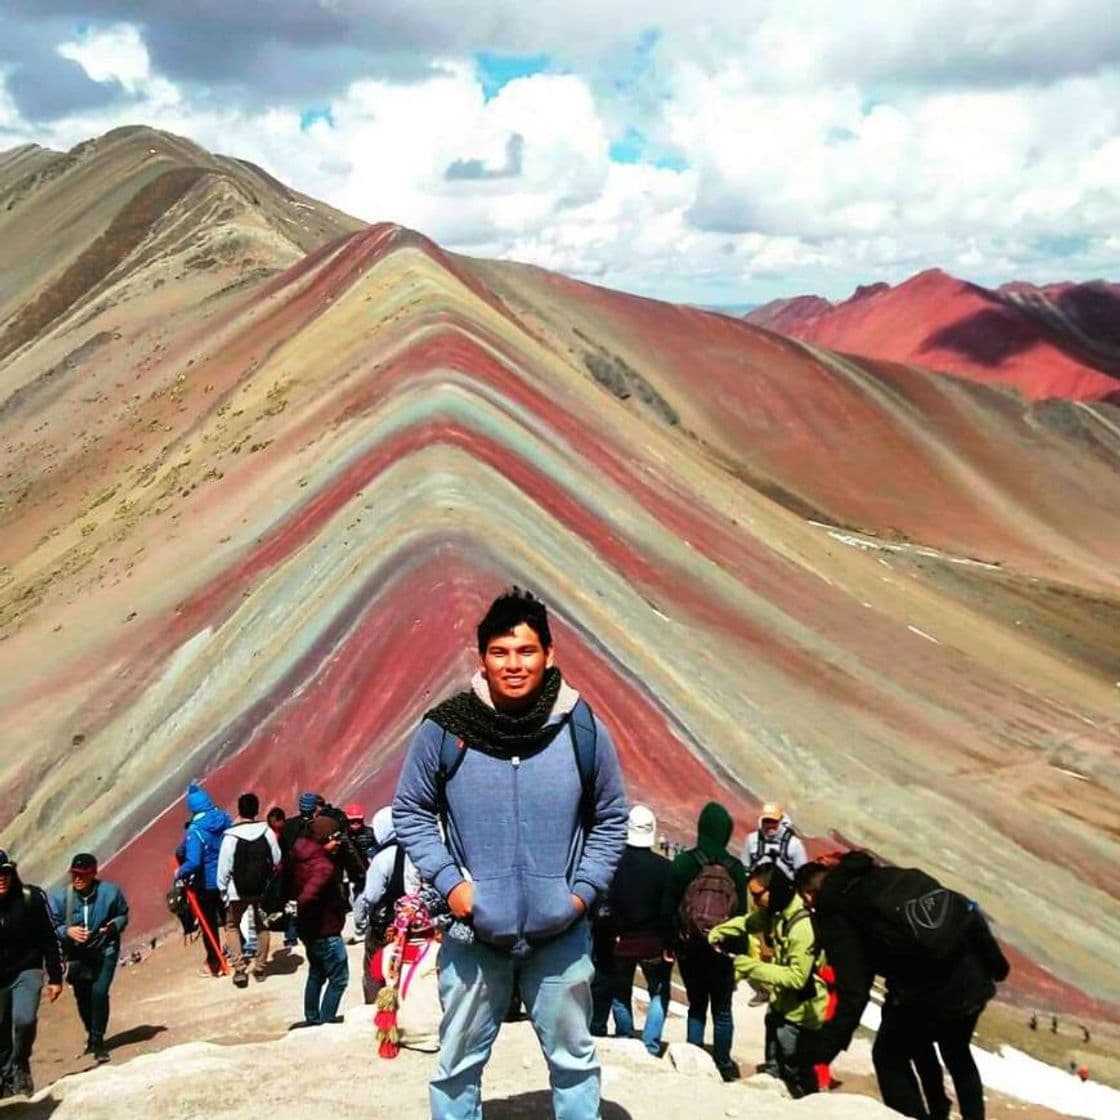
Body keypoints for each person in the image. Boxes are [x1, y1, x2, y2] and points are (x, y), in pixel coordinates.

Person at [393, 586, 628, 1120]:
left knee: (574, 1063)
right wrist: (452, 885)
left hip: (560, 936)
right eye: (500, 652)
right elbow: (409, 810)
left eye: (525, 651)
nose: (513, 664)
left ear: (549, 655)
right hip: (474, 935)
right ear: (482, 659)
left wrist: (581, 895)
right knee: (455, 1067)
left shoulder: (582, 728)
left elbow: (611, 818)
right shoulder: (446, 729)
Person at [796, 852, 1010, 1120]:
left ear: (809, 896)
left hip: (932, 988)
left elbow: (854, 992)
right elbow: (961, 906)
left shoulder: (837, 913)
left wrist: (820, 1053)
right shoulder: (879, 875)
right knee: (954, 1051)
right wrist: (997, 966)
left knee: (889, 1057)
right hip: (973, 974)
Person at [709, 862, 827, 1097]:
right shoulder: (776, 912)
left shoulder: (801, 926)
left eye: (756, 895)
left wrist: (751, 967)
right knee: (774, 1070)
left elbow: (796, 978)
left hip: (801, 1016)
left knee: (797, 1078)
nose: (753, 901)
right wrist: (721, 930)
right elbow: (749, 923)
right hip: (781, 1006)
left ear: (773, 890)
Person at [661, 800, 747, 1081]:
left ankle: (693, 1059)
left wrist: (672, 941)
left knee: (696, 1006)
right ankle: (723, 1063)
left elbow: (668, 907)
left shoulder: (685, 862)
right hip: (721, 951)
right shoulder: (735, 869)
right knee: (722, 1010)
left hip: (690, 948)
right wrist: (738, 950)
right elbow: (742, 915)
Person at [590, 804, 672, 1056]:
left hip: (620, 942)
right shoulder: (665, 867)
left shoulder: (614, 864)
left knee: (620, 990)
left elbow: (606, 904)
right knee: (659, 991)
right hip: (653, 943)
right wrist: (670, 943)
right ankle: (650, 1044)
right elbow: (668, 910)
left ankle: (625, 1035)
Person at [50, 853, 129, 1063]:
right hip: (77, 955)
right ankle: (92, 1033)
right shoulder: (60, 899)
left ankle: (98, 1040)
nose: (77, 879)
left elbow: (123, 914)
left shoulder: (110, 893)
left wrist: (113, 926)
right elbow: (52, 926)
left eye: (82, 875)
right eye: (74, 874)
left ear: (94, 873)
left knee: (99, 992)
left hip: (105, 950)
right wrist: (67, 931)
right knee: (82, 996)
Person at [0, 850, 63, 1099]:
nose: (1, 878)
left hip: (27, 970)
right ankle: (7, 1080)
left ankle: (20, 1062)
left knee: (24, 1019)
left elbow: (49, 937)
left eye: (4, 872)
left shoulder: (30, 898)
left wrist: (56, 977)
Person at [354, 806, 420, 1005]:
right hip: (413, 922)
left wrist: (362, 920)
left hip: (386, 926)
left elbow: (371, 897)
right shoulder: (415, 851)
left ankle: (377, 1007)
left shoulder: (382, 859)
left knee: (375, 968)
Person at [289, 815, 350, 1026]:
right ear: (324, 839)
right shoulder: (323, 867)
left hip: (308, 930)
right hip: (326, 930)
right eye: (335, 838)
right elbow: (308, 896)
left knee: (317, 973)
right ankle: (325, 1021)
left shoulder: (299, 856)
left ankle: (312, 1018)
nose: (338, 842)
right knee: (339, 978)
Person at [217, 792, 281, 987]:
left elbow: (225, 866)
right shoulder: (266, 832)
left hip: (237, 891)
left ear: (239, 810)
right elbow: (277, 858)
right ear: (256, 809)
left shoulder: (231, 836)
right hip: (261, 889)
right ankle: (260, 967)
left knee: (232, 926)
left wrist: (222, 889)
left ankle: (239, 969)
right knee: (262, 925)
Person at [175, 781, 233, 977]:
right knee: (230, 920)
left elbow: (193, 861)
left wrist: (180, 872)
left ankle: (214, 962)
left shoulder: (195, 831)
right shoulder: (224, 818)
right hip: (226, 877)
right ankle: (238, 955)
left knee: (209, 924)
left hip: (206, 884)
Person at [741, 803, 807, 877]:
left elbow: (802, 873)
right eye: (766, 821)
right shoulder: (751, 839)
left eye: (774, 822)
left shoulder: (795, 844)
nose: (769, 825)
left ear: (781, 822)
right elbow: (744, 866)